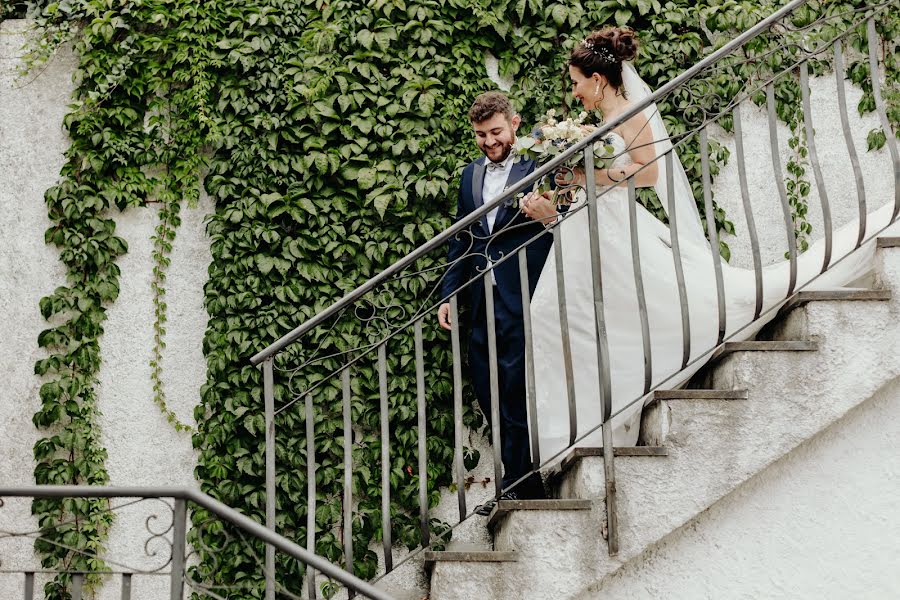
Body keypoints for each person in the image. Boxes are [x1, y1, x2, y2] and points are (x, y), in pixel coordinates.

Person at [524, 26, 894, 466]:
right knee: (564, 314)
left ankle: (607, 409)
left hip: (615, 226)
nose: (574, 91)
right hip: (592, 225)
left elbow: (648, 174)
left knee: (576, 312)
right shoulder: (599, 121)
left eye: (576, 81)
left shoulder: (630, 114)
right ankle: (594, 418)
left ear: (598, 79)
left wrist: (589, 176)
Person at [437, 92, 558, 513]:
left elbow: (559, 218)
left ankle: (523, 484)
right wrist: (450, 293)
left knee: (515, 385)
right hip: (480, 296)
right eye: (480, 135)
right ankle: (516, 480)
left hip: (525, 289)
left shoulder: (539, 165)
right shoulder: (470, 175)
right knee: (489, 388)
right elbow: (462, 236)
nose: (489, 142)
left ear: (515, 124)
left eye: (495, 132)